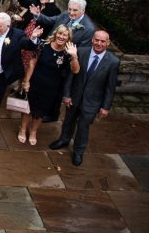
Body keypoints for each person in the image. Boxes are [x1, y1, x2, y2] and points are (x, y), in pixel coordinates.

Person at [49, 31, 120, 166]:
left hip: (93, 101)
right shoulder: (80, 52)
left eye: (102, 41)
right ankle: (64, 139)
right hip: (74, 96)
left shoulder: (113, 62)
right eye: (96, 40)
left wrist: (105, 107)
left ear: (108, 43)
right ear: (92, 40)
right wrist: (67, 94)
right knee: (68, 120)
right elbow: (71, 75)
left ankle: (78, 151)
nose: (99, 43)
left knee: (83, 126)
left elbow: (110, 87)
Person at [19, 25, 80, 146]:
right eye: (60, 33)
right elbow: (32, 63)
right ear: (55, 34)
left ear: (68, 38)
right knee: (27, 108)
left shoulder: (68, 52)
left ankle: (33, 131)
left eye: (65, 35)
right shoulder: (43, 45)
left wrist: (74, 56)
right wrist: (26, 81)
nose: (61, 37)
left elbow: (76, 70)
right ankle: (23, 128)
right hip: (35, 82)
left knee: (41, 111)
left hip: (52, 87)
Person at [31, 0, 96, 47]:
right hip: (49, 46)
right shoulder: (65, 14)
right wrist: (38, 15)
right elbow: (51, 20)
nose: (71, 13)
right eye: (69, 9)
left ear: (83, 11)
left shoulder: (89, 29)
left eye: (75, 10)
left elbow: (81, 50)